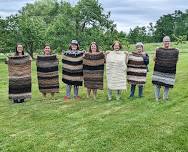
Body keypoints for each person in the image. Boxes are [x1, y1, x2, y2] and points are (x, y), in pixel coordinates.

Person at [152, 36, 179, 102]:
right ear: (163, 42)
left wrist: (177, 52)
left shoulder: (174, 51)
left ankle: (165, 98)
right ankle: (157, 98)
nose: (166, 42)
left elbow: (176, 60)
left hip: (169, 71)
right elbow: (154, 59)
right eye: (165, 41)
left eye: (168, 41)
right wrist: (156, 51)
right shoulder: (158, 50)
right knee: (157, 83)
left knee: (167, 84)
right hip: (159, 70)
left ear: (170, 42)